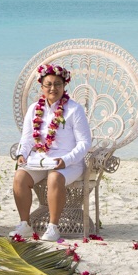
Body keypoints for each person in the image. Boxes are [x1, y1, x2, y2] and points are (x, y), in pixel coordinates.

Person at [10, 64, 91, 243]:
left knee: (54, 177)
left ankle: (53, 227)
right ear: (42, 87)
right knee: (20, 177)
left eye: (58, 84)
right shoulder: (34, 109)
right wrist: (21, 154)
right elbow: (27, 139)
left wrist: (66, 160)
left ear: (64, 86)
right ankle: (25, 224)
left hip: (69, 163)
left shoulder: (74, 109)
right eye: (49, 84)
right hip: (41, 159)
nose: (53, 88)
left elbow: (85, 143)